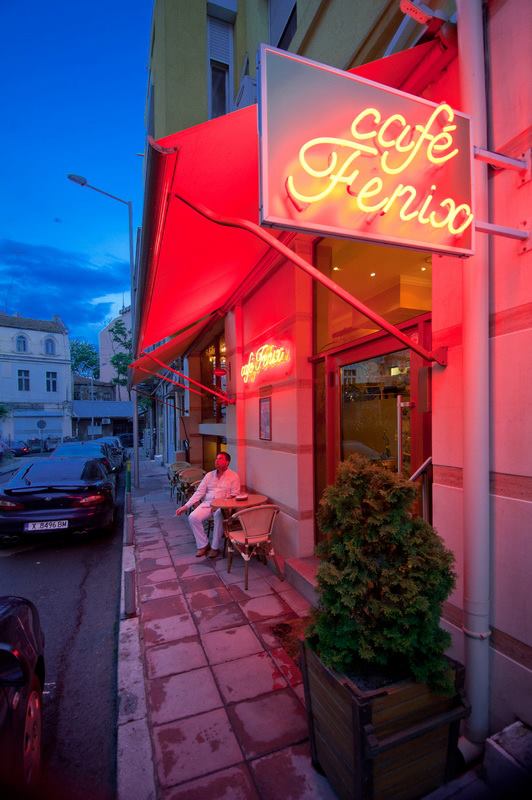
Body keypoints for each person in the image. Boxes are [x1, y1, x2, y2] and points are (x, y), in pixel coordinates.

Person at [175, 452, 240, 558]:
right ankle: (203, 545)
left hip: (223, 506)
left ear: (227, 462)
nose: (217, 461)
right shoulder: (209, 475)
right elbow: (199, 492)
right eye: (216, 459)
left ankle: (215, 547)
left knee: (218, 515)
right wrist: (186, 506)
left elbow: (235, 495)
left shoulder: (234, 476)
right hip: (208, 503)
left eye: (220, 459)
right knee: (193, 517)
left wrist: (220, 505)